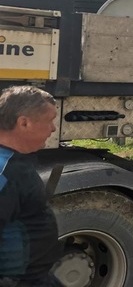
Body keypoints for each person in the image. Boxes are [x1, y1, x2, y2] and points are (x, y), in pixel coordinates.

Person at [0, 86, 63, 286]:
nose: (53, 128)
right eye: (49, 120)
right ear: (24, 122)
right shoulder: (4, 172)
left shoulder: (14, 162)